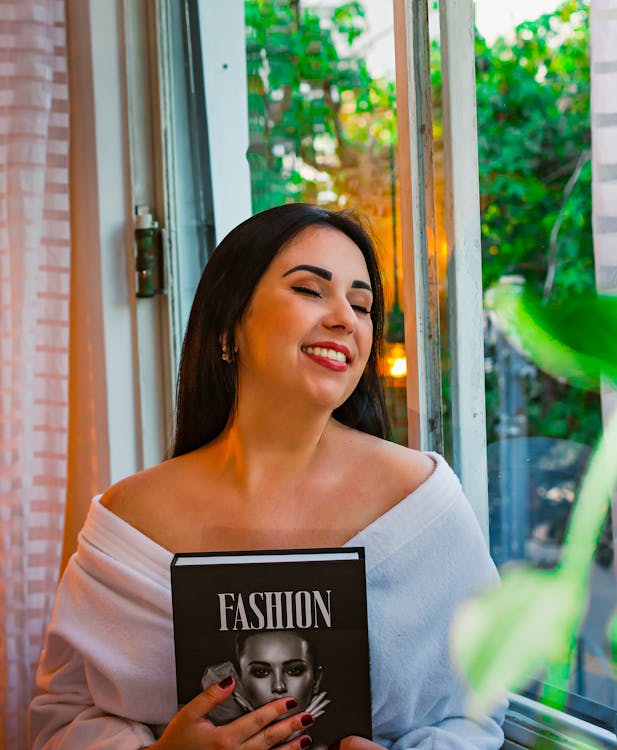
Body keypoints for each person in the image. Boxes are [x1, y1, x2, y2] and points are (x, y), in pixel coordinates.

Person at [28, 203, 507, 749]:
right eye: (310, 290)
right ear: (230, 324)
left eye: (361, 304)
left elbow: (479, 713)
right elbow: (61, 716)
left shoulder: (423, 505)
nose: (345, 319)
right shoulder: (126, 520)